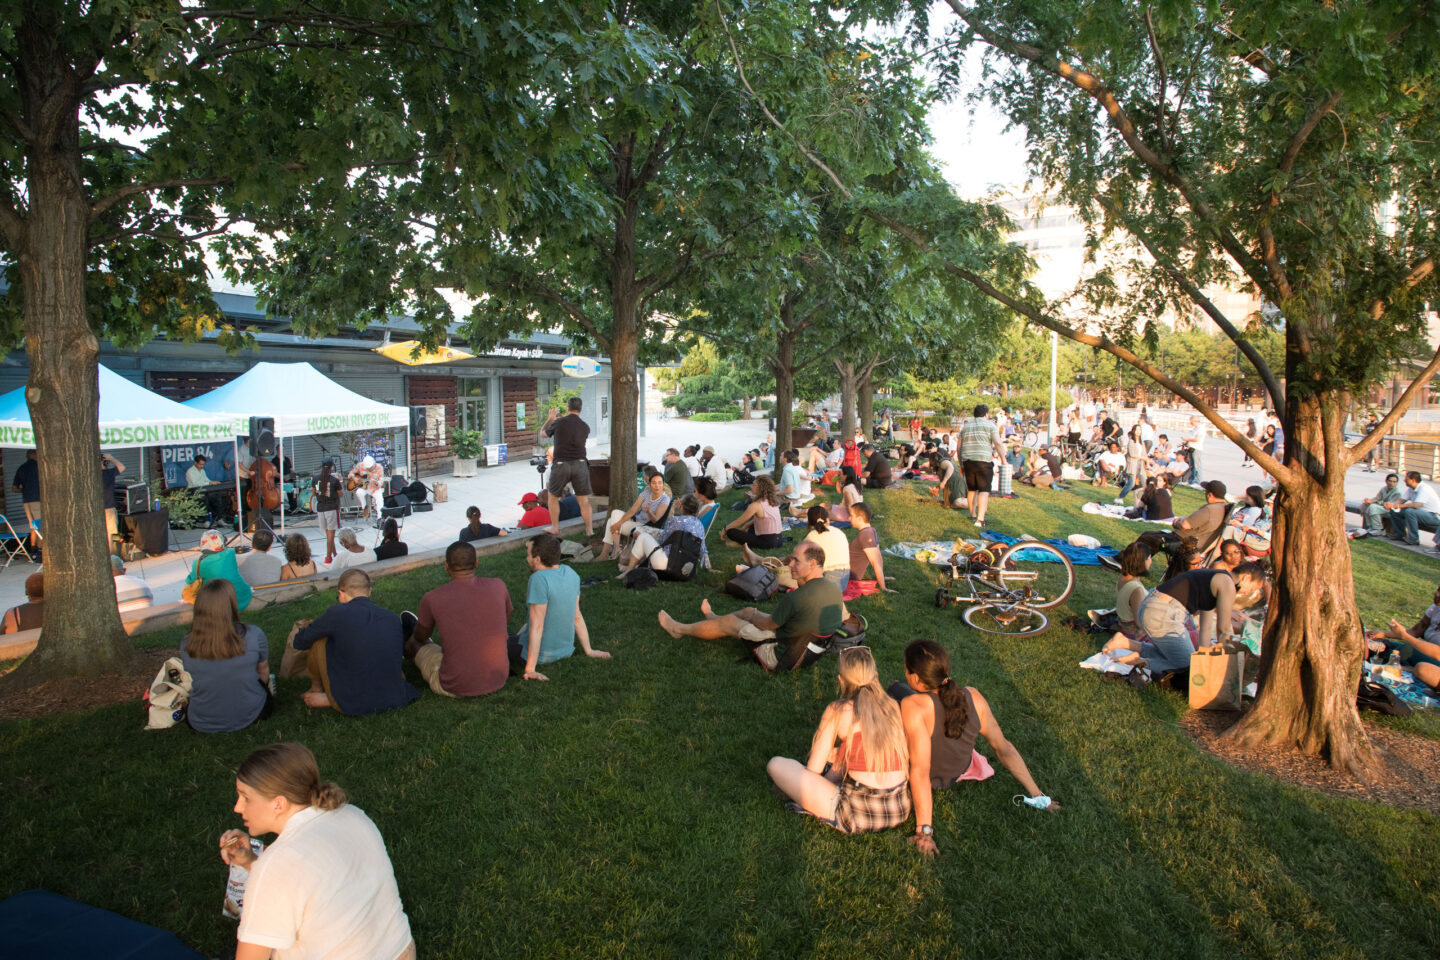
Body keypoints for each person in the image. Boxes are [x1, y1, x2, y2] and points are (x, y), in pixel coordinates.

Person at [217, 742, 414, 960]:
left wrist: (260, 867)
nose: (237, 807)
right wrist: (250, 861)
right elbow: (308, 878)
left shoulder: (274, 869)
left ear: (279, 804)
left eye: (246, 798)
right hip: (399, 951)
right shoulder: (352, 815)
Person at [890, 640, 1057, 856]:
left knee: (893, 698)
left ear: (915, 677)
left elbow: (921, 770)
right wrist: (1038, 795)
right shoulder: (973, 697)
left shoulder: (913, 707)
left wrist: (925, 831)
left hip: (931, 775)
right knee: (898, 689)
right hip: (960, 769)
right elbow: (1003, 747)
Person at [765, 647, 910, 834]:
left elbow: (813, 770)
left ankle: (814, 804)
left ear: (841, 680)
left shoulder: (839, 710)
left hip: (857, 815)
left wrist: (817, 785)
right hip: (898, 807)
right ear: (875, 675)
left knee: (776, 765)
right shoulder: (892, 706)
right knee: (837, 758)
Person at [657, 543, 843, 672]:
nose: (790, 564)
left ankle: (679, 629)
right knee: (747, 612)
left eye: (796, 561)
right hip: (808, 651)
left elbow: (768, 625)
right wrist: (751, 614)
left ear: (812, 564)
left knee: (731, 621)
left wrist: (753, 617)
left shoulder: (797, 597)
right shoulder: (833, 588)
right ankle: (713, 618)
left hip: (783, 655)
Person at [286, 569, 419, 715]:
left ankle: (317, 688)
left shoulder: (336, 614)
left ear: (341, 593)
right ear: (369, 592)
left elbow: (300, 642)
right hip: (394, 695)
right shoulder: (391, 617)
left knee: (319, 639)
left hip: (353, 698)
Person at [1106, 564, 1268, 674]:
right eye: (1252, 588)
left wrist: (1203, 657)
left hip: (1152, 607)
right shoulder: (1227, 584)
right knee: (1188, 666)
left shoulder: (1215, 578)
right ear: (1246, 578)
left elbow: (1204, 629)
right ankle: (1139, 662)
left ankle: (1126, 644)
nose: (1248, 593)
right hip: (1162, 613)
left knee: (1184, 658)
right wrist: (1224, 663)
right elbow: (1224, 629)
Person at [403, 540, 514, 697]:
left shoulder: (433, 597)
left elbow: (421, 636)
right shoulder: (498, 585)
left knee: (415, 643)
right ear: (476, 563)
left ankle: (403, 651)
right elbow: (506, 620)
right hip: (498, 677)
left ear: (446, 566)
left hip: (453, 684)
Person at [181, 579, 272, 733]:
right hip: (253, 712)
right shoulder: (254, 634)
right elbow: (263, 672)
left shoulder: (187, 643)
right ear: (231, 605)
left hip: (201, 720)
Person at [514, 533, 609, 680]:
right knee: (524, 627)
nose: (527, 559)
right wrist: (589, 650)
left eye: (528, 555)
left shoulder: (538, 579)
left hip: (543, 655)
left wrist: (530, 668)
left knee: (499, 645)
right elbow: (576, 616)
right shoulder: (571, 573)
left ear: (537, 559)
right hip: (566, 651)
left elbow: (537, 626)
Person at [1368, 584, 1440, 692]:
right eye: (1438, 589)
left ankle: (1387, 662)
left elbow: (1437, 653)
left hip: (1435, 658)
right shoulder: (1435, 608)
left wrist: (1404, 636)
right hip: (1424, 652)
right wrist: (1384, 633)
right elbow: (1415, 631)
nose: (1437, 594)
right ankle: (1381, 654)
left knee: (1407, 650)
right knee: (1389, 647)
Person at [619, 493, 711, 576]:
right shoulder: (699, 525)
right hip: (686, 568)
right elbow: (703, 549)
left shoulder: (675, 520)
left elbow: (661, 542)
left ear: (682, 507)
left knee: (643, 537)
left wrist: (642, 538)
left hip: (666, 564)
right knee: (647, 538)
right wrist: (709, 567)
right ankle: (637, 566)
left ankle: (629, 570)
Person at [542, 396, 595, 536]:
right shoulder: (585, 426)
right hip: (581, 464)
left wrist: (550, 419)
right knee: (583, 500)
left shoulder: (559, 422)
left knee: (552, 496)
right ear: (581, 409)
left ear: (567, 408)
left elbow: (543, 434)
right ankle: (589, 530)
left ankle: (555, 527)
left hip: (561, 464)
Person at [598, 468, 670, 562]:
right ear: (649, 483)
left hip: (644, 527)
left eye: (659, 483)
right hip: (635, 521)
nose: (657, 486)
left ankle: (610, 552)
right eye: (654, 483)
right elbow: (633, 510)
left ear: (663, 484)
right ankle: (615, 549)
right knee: (614, 513)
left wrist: (648, 512)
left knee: (610, 521)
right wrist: (619, 523)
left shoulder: (665, 499)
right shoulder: (646, 493)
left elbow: (656, 521)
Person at [958, 404, 1006, 528]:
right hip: (983, 461)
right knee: (984, 491)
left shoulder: (966, 427)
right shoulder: (990, 425)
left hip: (968, 461)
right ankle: (980, 520)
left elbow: (959, 448)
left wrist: (961, 464)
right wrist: (1003, 460)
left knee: (972, 490)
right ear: (986, 414)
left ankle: (972, 515)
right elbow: (998, 443)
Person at [186, 528, 253, 610]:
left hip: (217, 602)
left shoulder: (198, 563)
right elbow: (228, 549)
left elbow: (190, 581)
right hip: (241, 596)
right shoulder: (230, 553)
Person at [722, 474, 785, 550]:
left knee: (731, 532)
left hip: (767, 543)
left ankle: (742, 543)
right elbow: (762, 518)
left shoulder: (756, 505)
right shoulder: (771, 501)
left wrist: (725, 529)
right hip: (779, 539)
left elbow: (739, 521)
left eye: (754, 485)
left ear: (760, 488)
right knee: (752, 525)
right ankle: (746, 541)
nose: (751, 486)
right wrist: (746, 526)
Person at [1174, 480, 1231, 556]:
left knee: (1153, 539)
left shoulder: (1209, 509)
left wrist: (1175, 522)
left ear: (1210, 495)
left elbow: (1185, 525)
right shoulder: (1222, 507)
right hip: (1199, 543)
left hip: (1185, 542)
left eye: (1205, 492)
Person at [846, 502, 893, 592]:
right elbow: (879, 557)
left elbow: (876, 561)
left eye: (851, 516)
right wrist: (882, 576)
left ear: (859, 519)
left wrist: (883, 588)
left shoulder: (865, 535)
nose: (849, 518)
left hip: (848, 576)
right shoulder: (872, 530)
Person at [1110, 541, 1152, 639]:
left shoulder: (1123, 576)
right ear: (1144, 561)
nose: (1151, 561)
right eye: (1150, 558)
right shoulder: (1136, 589)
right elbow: (1138, 622)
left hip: (1123, 622)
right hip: (1133, 632)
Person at [1390, 470, 1440, 546]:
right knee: (1395, 511)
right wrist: (1392, 505)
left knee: (1410, 512)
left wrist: (1399, 506)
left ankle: (1414, 539)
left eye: (1406, 479)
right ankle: (1400, 534)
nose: (1404, 480)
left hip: (1433, 516)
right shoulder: (1411, 488)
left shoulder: (1424, 489)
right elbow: (1401, 500)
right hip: (1420, 514)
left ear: (1413, 480)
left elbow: (1416, 505)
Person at [1222, 485, 1271, 553]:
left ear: (1254, 497)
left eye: (1247, 495)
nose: (1245, 496)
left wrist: (1233, 523)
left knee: (1226, 530)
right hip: (1232, 528)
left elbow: (1245, 526)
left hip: (1240, 533)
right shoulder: (1246, 508)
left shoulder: (1255, 510)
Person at [313, 459, 343, 565]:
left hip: (321, 508)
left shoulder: (316, 478)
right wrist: (340, 482)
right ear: (331, 468)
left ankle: (335, 555)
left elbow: (314, 492)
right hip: (331, 508)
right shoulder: (334, 480)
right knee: (331, 535)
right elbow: (340, 494)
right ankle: (328, 557)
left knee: (329, 535)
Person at [1354, 473, 1403, 539]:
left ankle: (1378, 529)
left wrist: (1375, 502)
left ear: (1397, 483)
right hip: (1383, 507)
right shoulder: (1384, 488)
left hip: (1392, 510)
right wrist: (1368, 500)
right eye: (1390, 481)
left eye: (1394, 482)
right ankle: (1370, 526)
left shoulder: (1398, 492)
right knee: (1366, 505)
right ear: (1386, 481)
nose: (1392, 483)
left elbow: (1389, 504)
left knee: (1373, 507)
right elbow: (1377, 498)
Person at [347, 455, 385, 519]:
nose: (369, 469)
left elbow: (381, 479)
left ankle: (380, 518)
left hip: (374, 488)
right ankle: (364, 507)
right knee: (359, 492)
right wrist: (354, 478)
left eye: (370, 467)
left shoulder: (379, 467)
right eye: (367, 468)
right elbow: (350, 473)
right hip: (364, 487)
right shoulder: (360, 465)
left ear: (374, 463)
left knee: (380, 499)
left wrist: (377, 483)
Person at [12, 448, 40, 534]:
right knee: (40, 524)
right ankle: (39, 546)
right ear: (34, 455)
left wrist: (25, 490)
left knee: (33, 526)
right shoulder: (38, 466)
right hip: (37, 499)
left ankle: (33, 546)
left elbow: (14, 488)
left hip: (26, 501)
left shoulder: (21, 468)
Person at [778, 448, 814, 515]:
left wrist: (778, 493)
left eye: (781, 456)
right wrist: (771, 488)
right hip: (795, 497)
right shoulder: (791, 467)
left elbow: (789, 490)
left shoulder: (787, 470)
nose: (779, 457)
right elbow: (783, 485)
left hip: (789, 499)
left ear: (785, 459)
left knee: (766, 498)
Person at [99, 450, 125, 541]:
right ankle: (114, 552)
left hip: (97, 508)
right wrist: (111, 458)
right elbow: (122, 467)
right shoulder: (108, 473)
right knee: (113, 532)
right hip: (109, 508)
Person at [1184, 416, 1206, 482]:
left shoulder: (1201, 428)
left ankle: (1197, 480)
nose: (1190, 423)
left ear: (1195, 421)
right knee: (1192, 465)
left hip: (1196, 448)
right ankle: (1191, 479)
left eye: (1191, 422)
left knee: (1197, 465)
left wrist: (1187, 439)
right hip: (1191, 448)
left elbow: (1197, 439)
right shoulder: (1195, 428)